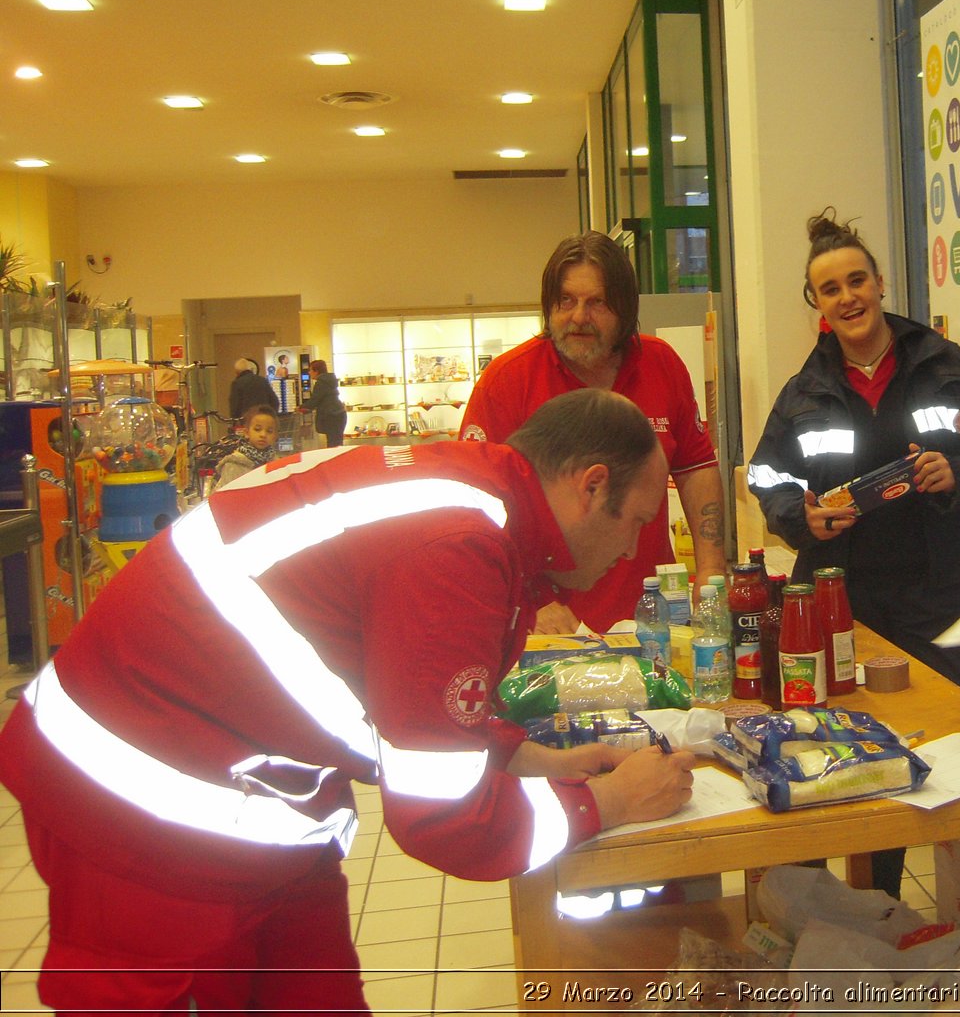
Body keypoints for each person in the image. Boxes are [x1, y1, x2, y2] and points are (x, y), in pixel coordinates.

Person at [0, 388, 697, 1012]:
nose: (632, 547)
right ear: (590, 485)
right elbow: (439, 818)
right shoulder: (460, 544)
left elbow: (398, 691)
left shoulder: (467, 497)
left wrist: (526, 756)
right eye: (635, 521)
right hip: (139, 809)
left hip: (249, 789)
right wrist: (605, 804)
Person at [746, 211, 960, 895]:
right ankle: (875, 902)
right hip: (845, 606)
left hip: (940, 600)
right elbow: (765, 473)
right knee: (847, 761)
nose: (848, 297)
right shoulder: (804, 394)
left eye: (857, 280)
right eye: (830, 289)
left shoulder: (947, 369)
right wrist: (799, 517)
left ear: (880, 282)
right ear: (817, 305)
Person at [461, 232, 726, 633]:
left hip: (650, 616)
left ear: (624, 308)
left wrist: (710, 567)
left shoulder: (662, 365)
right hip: (549, 627)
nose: (578, 316)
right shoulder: (507, 380)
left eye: (597, 302)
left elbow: (696, 467)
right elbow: (475, 504)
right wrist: (530, 597)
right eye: (566, 300)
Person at [212, 403, 279, 490]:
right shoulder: (234, 464)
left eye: (269, 431)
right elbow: (227, 496)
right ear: (247, 432)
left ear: (275, 437)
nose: (263, 434)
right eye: (257, 429)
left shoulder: (278, 465)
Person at [302, 358, 348, 447]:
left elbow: (314, 400)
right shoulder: (329, 381)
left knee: (333, 445)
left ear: (316, 371)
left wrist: (301, 407)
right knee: (337, 443)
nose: (309, 372)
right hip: (339, 415)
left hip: (331, 417)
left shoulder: (321, 383)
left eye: (310, 370)